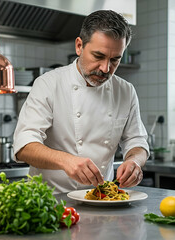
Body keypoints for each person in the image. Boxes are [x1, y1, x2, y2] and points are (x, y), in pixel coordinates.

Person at [13, 10, 149, 193]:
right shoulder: (48, 83)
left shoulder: (125, 91)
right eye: (98, 56)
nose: (105, 68)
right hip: (51, 201)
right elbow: (24, 146)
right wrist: (66, 161)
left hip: (101, 199)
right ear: (79, 46)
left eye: (115, 60)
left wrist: (134, 162)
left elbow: (137, 141)